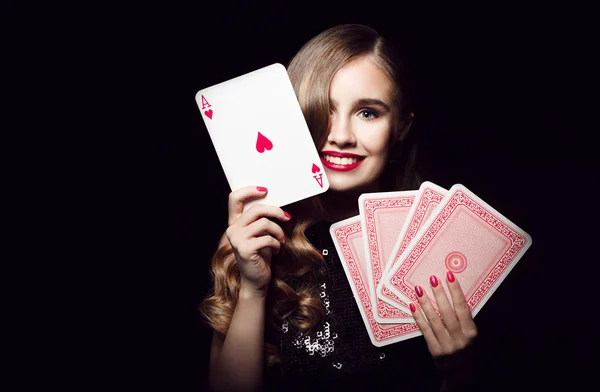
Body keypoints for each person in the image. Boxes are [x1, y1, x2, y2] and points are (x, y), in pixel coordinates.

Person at [199, 24, 478, 391]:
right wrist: (253, 289)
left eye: (368, 113)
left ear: (401, 127)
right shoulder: (253, 237)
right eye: (324, 110)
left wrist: (458, 371)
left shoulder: (440, 235)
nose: (342, 135)